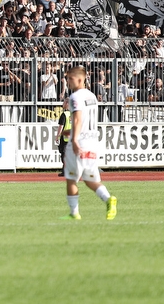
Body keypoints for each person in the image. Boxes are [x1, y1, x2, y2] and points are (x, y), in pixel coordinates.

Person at [60, 65, 117, 221]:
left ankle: (74, 213)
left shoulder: (75, 97)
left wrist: (74, 139)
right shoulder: (91, 96)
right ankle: (108, 199)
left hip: (80, 143)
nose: (68, 82)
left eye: (70, 78)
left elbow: (77, 119)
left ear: (80, 79)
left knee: (71, 179)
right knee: (91, 179)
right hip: (92, 142)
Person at [56, 96, 71, 176]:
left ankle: (66, 170)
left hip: (64, 138)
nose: (63, 104)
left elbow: (61, 126)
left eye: (64, 102)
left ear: (67, 103)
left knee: (64, 155)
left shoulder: (64, 114)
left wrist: (57, 136)